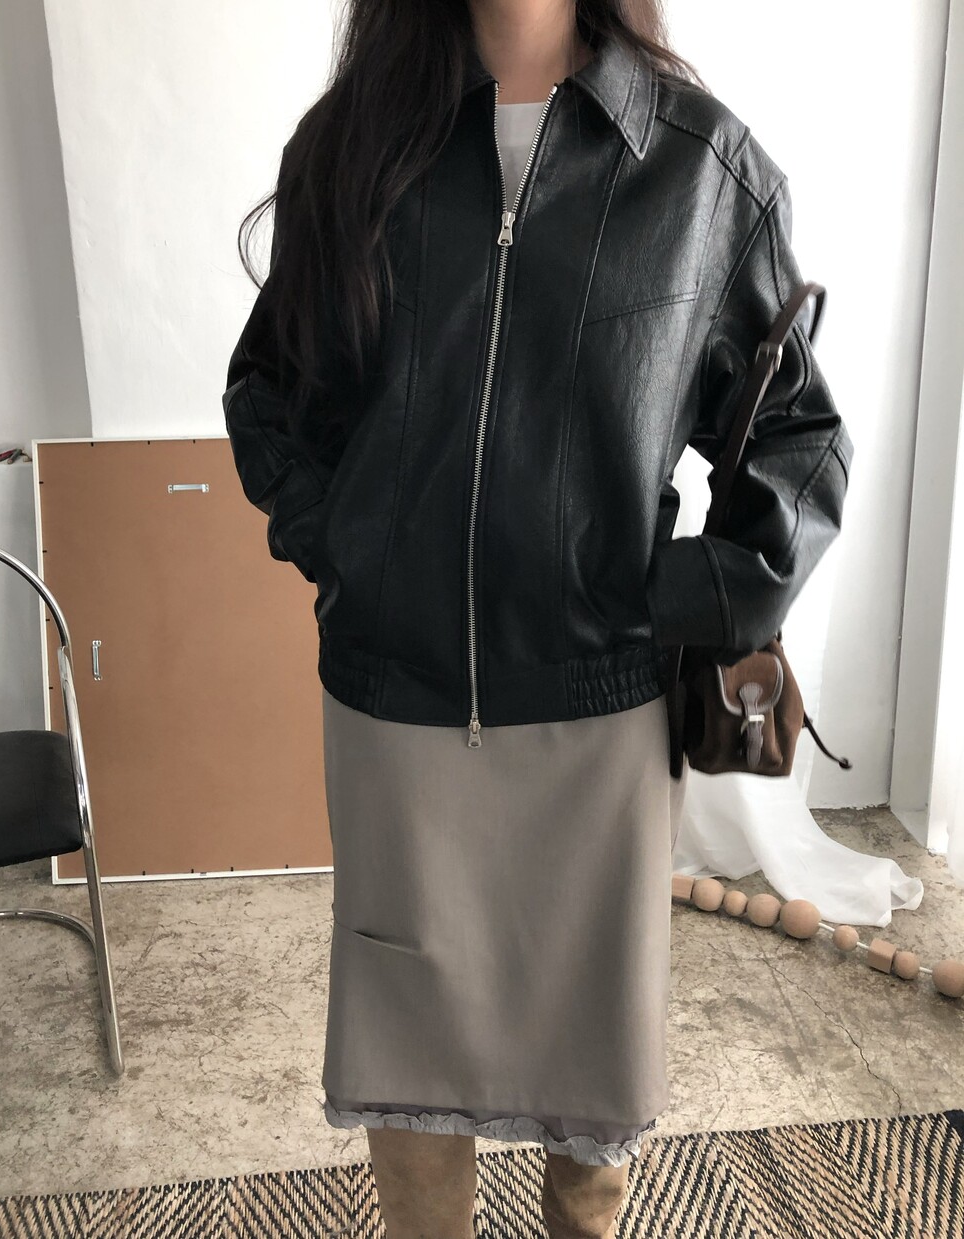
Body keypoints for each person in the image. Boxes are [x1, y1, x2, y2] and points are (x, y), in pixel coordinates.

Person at [222, 1, 854, 1235]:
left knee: (591, 1058)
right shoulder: (351, 146)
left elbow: (797, 435)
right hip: (397, 701)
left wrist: (672, 596)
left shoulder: (699, 165)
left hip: (596, 717)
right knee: (409, 1047)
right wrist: (352, 552)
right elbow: (272, 394)